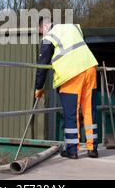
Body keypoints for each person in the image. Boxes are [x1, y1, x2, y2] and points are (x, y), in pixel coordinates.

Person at [34, 16, 99, 159]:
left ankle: (72, 150)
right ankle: (92, 148)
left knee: (71, 114)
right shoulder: (73, 27)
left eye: (40, 32)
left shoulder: (49, 37)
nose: (41, 35)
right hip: (90, 69)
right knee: (89, 110)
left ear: (43, 27)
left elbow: (42, 65)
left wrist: (39, 88)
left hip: (71, 75)